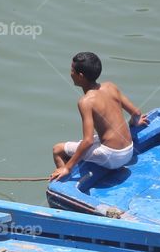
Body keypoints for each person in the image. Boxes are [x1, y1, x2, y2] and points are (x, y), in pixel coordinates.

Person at [50, 52, 148, 181]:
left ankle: (63, 181)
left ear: (80, 76)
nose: (70, 73)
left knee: (57, 149)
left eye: (72, 70)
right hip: (129, 150)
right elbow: (136, 113)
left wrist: (67, 167)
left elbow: (88, 141)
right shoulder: (110, 86)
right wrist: (135, 123)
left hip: (112, 157)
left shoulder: (85, 102)